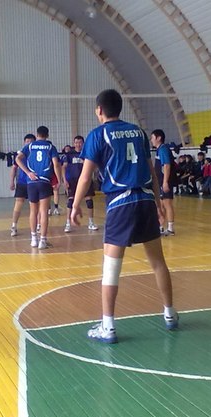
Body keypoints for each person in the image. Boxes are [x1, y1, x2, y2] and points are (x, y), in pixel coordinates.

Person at [71, 89, 178, 343]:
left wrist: (74, 205)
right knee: (158, 262)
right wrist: (159, 204)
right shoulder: (138, 132)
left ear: (99, 110)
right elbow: (151, 172)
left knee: (111, 267)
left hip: (120, 204)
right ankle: (170, 314)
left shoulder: (98, 135)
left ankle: (108, 327)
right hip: (145, 200)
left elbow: (85, 177)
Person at [16, 125, 61, 250]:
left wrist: (28, 172)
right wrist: (59, 180)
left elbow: (17, 159)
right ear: (47, 135)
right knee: (43, 212)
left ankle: (33, 239)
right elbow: (56, 164)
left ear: (37, 135)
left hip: (31, 182)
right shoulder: (51, 147)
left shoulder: (30, 146)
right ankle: (43, 241)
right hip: (44, 181)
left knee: (33, 211)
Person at [63, 135, 98, 233]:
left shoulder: (87, 153)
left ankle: (91, 222)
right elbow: (63, 167)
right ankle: (68, 224)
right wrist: (64, 180)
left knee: (89, 201)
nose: (78, 144)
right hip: (72, 181)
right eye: (76, 142)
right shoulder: (69, 154)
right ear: (74, 143)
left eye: (80, 143)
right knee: (70, 201)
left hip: (85, 180)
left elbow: (94, 166)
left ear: (83, 143)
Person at [151, 129, 176, 236]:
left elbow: (166, 165)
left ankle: (170, 229)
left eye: (152, 138)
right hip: (160, 181)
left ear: (159, 138)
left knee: (167, 203)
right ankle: (160, 227)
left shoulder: (163, 149)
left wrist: (165, 182)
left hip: (165, 181)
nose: (151, 140)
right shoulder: (159, 149)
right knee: (161, 204)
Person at [9, 133, 35, 237]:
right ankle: (14, 226)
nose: (28, 143)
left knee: (34, 205)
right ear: (24, 143)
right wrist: (12, 181)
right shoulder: (20, 154)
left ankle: (37, 226)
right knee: (18, 203)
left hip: (33, 182)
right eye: (27, 142)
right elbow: (14, 168)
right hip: (22, 182)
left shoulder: (36, 153)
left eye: (31, 142)